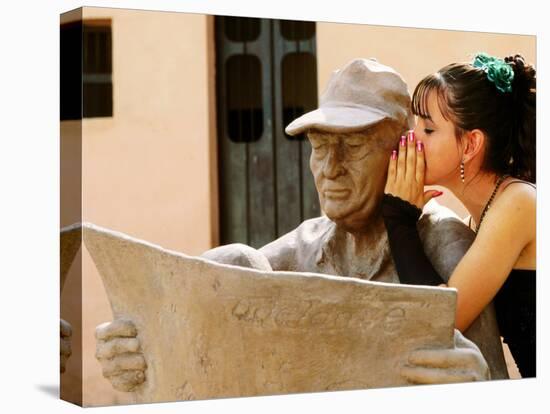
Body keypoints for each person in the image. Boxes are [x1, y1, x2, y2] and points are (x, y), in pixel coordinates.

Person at [95, 58, 506, 393]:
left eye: (353, 145)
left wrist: (478, 384)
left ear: (404, 153)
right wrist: (142, 345)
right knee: (232, 261)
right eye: (320, 147)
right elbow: (183, 311)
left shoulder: (445, 242)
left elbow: (493, 378)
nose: (331, 168)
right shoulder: (301, 248)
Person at [382, 53, 536, 378]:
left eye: (427, 128)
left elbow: (442, 323)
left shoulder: (519, 204)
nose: (411, 140)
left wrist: (398, 220)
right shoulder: (477, 221)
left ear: (470, 144)